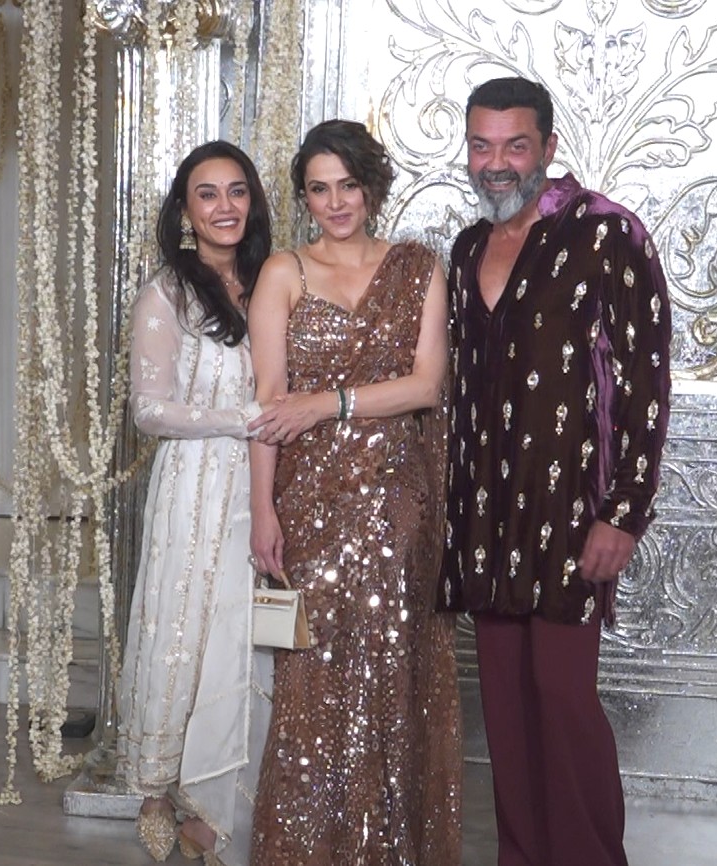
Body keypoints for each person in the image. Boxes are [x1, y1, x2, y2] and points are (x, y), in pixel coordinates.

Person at [439, 77, 672, 866]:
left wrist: (624, 511)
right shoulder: (467, 248)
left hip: (571, 511)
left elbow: (645, 382)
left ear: (547, 146)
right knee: (505, 711)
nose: (496, 163)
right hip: (484, 513)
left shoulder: (607, 233)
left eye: (515, 145)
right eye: (481, 145)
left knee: (563, 701)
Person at [244, 119, 462, 866]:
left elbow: (426, 386)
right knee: (310, 683)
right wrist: (262, 511)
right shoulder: (283, 272)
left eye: (347, 185)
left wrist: (326, 404)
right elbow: (268, 404)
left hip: (397, 503)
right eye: (318, 189)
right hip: (308, 503)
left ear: (371, 186)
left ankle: (388, 850)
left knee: (391, 674)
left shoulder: (418, 267)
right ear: (303, 197)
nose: (335, 203)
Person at [116, 140, 275, 866]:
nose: (224, 207)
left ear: (254, 201)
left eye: (236, 191)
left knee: (240, 640)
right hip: (195, 485)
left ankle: (222, 796)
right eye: (206, 194)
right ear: (184, 209)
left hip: (262, 483)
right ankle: (159, 791)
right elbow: (149, 410)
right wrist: (243, 418)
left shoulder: (273, 280)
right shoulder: (167, 293)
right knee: (185, 627)